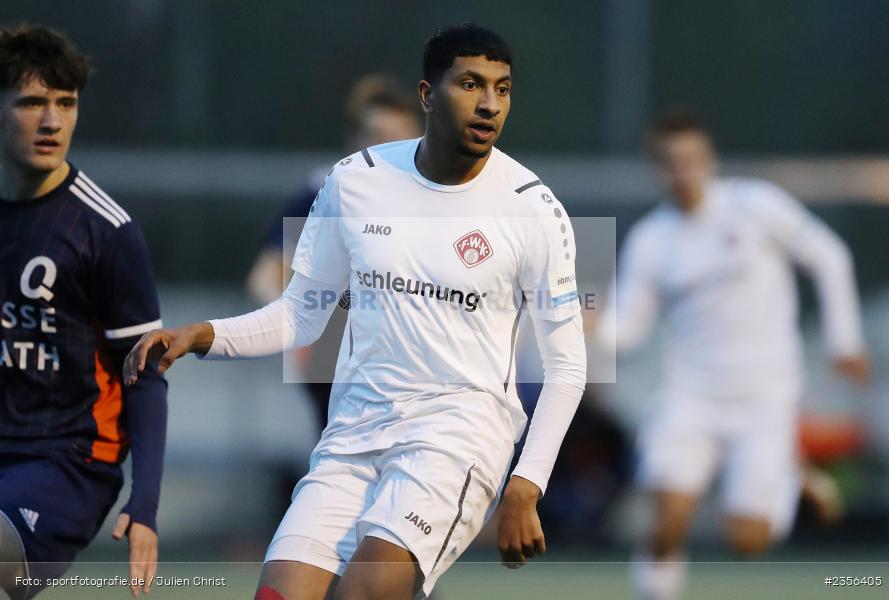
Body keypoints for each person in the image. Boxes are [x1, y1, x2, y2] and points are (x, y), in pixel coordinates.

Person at [125, 22, 585, 600]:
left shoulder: (533, 208)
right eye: (471, 84)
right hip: (352, 436)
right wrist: (201, 336)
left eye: (503, 88)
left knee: (363, 592)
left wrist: (526, 483)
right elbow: (301, 313)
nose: (490, 103)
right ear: (427, 95)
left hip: (457, 440)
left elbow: (568, 366)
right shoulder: (354, 181)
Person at [597, 110, 870, 600]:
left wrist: (844, 342)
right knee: (667, 516)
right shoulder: (651, 240)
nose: (683, 172)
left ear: (710, 160)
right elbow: (626, 329)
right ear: (658, 169)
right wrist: (590, 324)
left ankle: (789, 478)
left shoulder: (755, 205)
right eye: (671, 162)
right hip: (690, 396)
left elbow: (829, 256)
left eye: (692, 159)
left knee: (747, 541)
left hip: (764, 397)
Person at [0, 25, 167, 600]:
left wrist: (145, 504)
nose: (52, 121)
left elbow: (146, 374)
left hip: (68, 460)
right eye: (31, 102)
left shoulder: (106, 230)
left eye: (66, 103)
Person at [246, 73, 422, 431]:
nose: (391, 152)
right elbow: (266, 277)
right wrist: (298, 327)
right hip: (342, 366)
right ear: (354, 141)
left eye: (402, 141)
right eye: (379, 139)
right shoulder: (325, 194)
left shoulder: (439, 201)